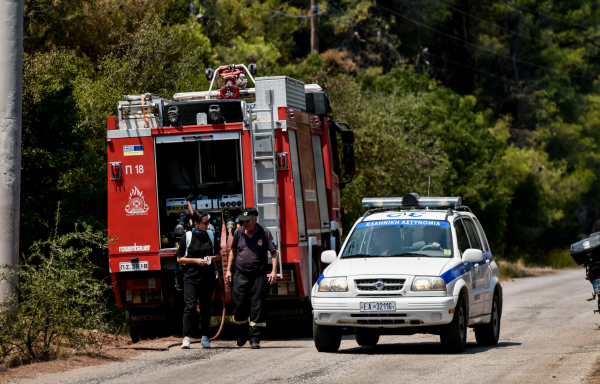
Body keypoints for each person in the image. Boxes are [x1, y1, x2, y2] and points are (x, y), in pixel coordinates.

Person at [225, 208, 278, 349]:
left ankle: (255, 338)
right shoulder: (238, 232)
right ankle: (242, 333)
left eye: (247, 221)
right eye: (243, 221)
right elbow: (233, 251)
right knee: (239, 305)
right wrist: (229, 271)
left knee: (257, 306)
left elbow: (273, 252)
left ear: (255, 219)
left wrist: (273, 271)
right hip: (240, 274)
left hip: (258, 275)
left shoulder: (264, 232)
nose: (244, 223)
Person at [176, 211, 222, 349]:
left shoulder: (211, 235)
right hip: (191, 277)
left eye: (208, 222)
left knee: (205, 308)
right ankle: (186, 338)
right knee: (190, 307)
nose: (208, 225)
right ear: (196, 223)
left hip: (207, 277)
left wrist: (209, 259)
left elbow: (218, 256)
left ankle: (205, 337)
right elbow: (179, 259)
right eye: (205, 222)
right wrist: (195, 260)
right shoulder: (187, 237)